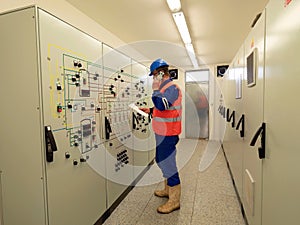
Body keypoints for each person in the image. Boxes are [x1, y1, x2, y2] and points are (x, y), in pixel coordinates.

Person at [140, 58, 182, 214]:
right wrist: (149, 111)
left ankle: (174, 200)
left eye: (154, 75)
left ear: (160, 74)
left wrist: (156, 89)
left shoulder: (171, 88)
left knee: (168, 164)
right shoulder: (166, 88)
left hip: (169, 133)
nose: (153, 78)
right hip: (161, 132)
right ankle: (168, 190)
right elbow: (162, 108)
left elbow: (161, 104)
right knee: (162, 160)